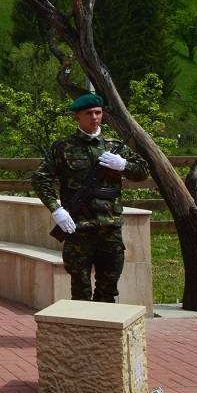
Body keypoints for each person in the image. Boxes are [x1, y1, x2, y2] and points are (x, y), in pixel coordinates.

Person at [32, 92, 149, 302]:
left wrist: (123, 165)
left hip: (110, 228)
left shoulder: (113, 146)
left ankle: (105, 324)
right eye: (88, 113)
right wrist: (56, 209)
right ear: (77, 116)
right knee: (81, 290)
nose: (94, 117)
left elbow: (142, 172)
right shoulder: (64, 147)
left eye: (98, 112)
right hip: (79, 228)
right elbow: (40, 178)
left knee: (109, 290)